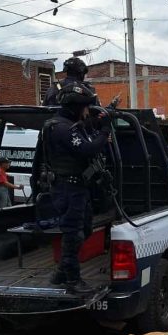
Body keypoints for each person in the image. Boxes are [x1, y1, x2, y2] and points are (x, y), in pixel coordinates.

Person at [44, 80, 112, 294]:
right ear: (75, 107)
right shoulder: (61, 128)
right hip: (68, 189)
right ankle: (72, 280)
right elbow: (86, 150)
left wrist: (96, 121)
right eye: (84, 107)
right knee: (73, 234)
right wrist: (104, 133)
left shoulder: (66, 125)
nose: (86, 112)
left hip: (77, 189)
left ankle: (61, 273)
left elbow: (82, 129)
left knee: (85, 228)